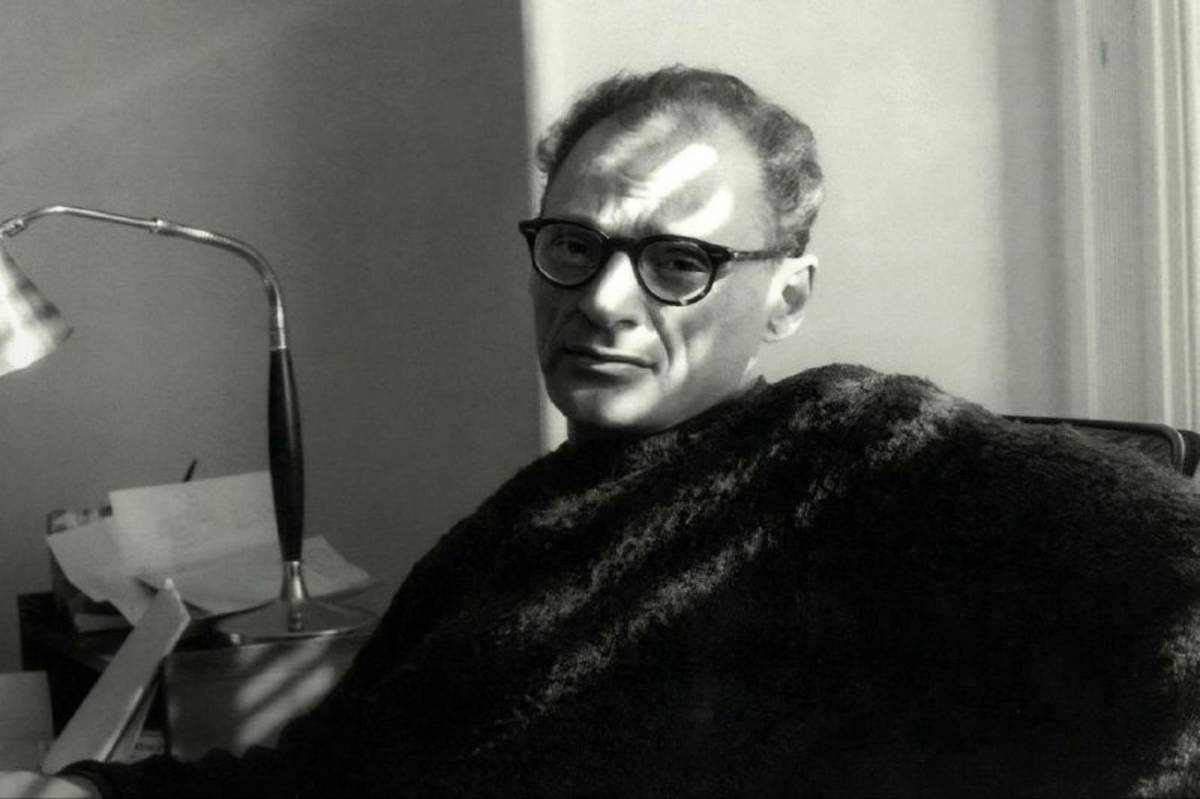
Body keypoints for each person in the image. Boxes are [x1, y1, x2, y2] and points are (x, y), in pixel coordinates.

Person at [6, 64, 1200, 797]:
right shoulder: (513, 531)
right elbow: (347, 772)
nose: (606, 301)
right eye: (574, 246)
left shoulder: (858, 453)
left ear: (786, 297)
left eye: (679, 260)